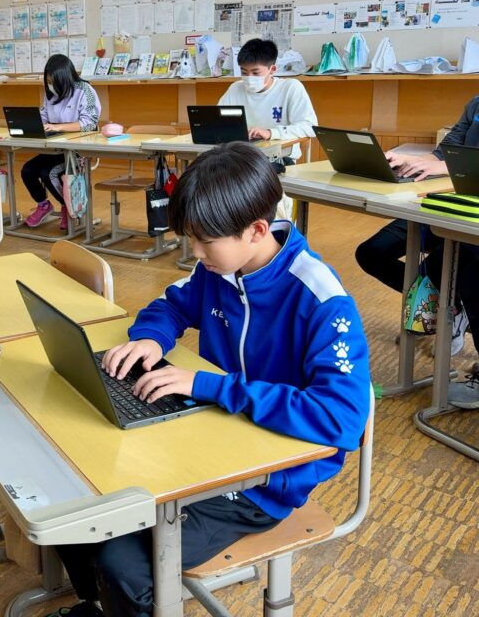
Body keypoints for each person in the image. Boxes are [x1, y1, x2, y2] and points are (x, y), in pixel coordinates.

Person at [52, 142, 371, 617]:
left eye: (205, 242)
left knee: (126, 563)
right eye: (191, 240)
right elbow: (170, 304)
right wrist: (152, 339)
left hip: (267, 482)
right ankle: (96, 604)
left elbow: (342, 419)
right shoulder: (221, 268)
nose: (196, 254)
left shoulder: (322, 301)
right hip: (202, 442)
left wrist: (209, 386)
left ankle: (118, 596)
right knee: (72, 486)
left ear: (257, 229)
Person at [355, 99, 479, 408]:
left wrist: (446, 166)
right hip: (447, 203)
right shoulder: (475, 103)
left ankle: (451, 307)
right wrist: (408, 160)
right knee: (372, 253)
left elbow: (448, 162)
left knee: (461, 272)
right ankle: (450, 310)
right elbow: (445, 151)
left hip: (473, 221)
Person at [23, 54, 101, 230]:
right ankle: (43, 205)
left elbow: (89, 123)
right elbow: (43, 116)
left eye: (54, 81)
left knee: (47, 173)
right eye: (48, 81)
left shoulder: (85, 90)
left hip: (76, 151)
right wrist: (34, 125)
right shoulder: (51, 94)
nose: (51, 85)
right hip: (55, 148)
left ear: (65, 78)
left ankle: (67, 206)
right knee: (28, 170)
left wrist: (58, 127)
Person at [218, 38, 317, 159]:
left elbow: (310, 127)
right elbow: (218, 121)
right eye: (244, 72)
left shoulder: (290, 88)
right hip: (242, 156)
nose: (249, 78)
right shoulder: (235, 88)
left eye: (255, 73)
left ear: (272, 70)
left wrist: (271, 133)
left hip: (279, 157)